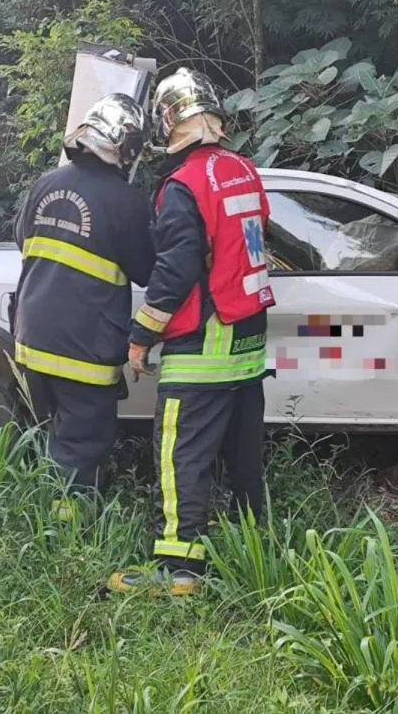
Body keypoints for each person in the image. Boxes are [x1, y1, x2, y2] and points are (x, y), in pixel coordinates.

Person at [108, 68, 276, 596]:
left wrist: (141, 334)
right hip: (246, 342)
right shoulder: (243, 170)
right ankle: (253, 544)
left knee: (179, 455)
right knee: (243, 455)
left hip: (203, 346)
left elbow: (176, 271)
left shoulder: (183, 186)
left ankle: (180, 569)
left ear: (168, 123)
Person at [11, 93, 155, 515]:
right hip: (84, 347)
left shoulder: (46, 183)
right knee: (82, 445)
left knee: (58, 434)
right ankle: (68, 538)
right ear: (126, 146)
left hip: (33, 337)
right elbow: (147, 270)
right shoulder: (127, 202)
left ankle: (50, 509)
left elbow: (22, 239)